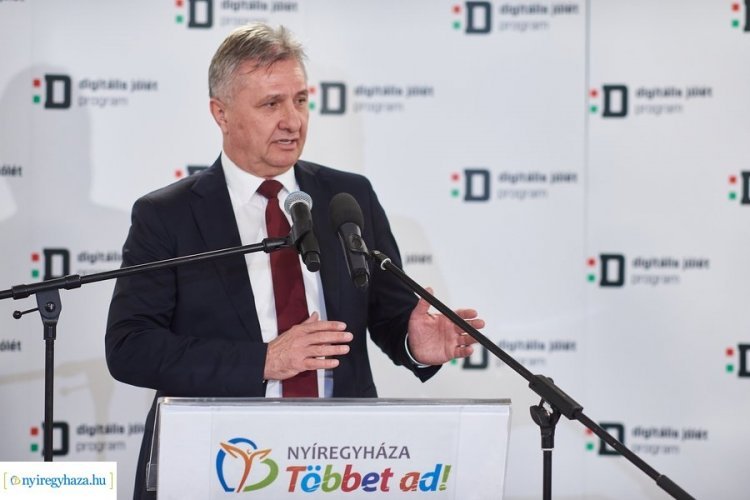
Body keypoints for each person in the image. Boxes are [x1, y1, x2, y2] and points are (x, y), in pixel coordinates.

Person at [105, 23, 483, 499]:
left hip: (339, 466)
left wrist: (414, 342)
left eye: (300, 100)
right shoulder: (169, 216)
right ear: (221, 113)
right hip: (220, 462)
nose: (293, 120)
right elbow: (131, 347)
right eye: (271, 104)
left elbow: (387, 314)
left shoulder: (348, 197)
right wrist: (264, 360)